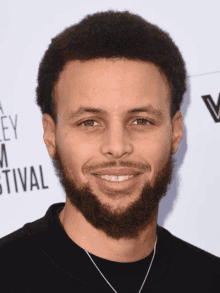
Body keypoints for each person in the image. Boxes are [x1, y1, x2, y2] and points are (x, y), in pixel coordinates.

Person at [0, 10, 219, 293]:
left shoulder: (211, 278)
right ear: (50, 135)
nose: (117, 147)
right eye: (89, 122)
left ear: (175, 132)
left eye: (141, 121)